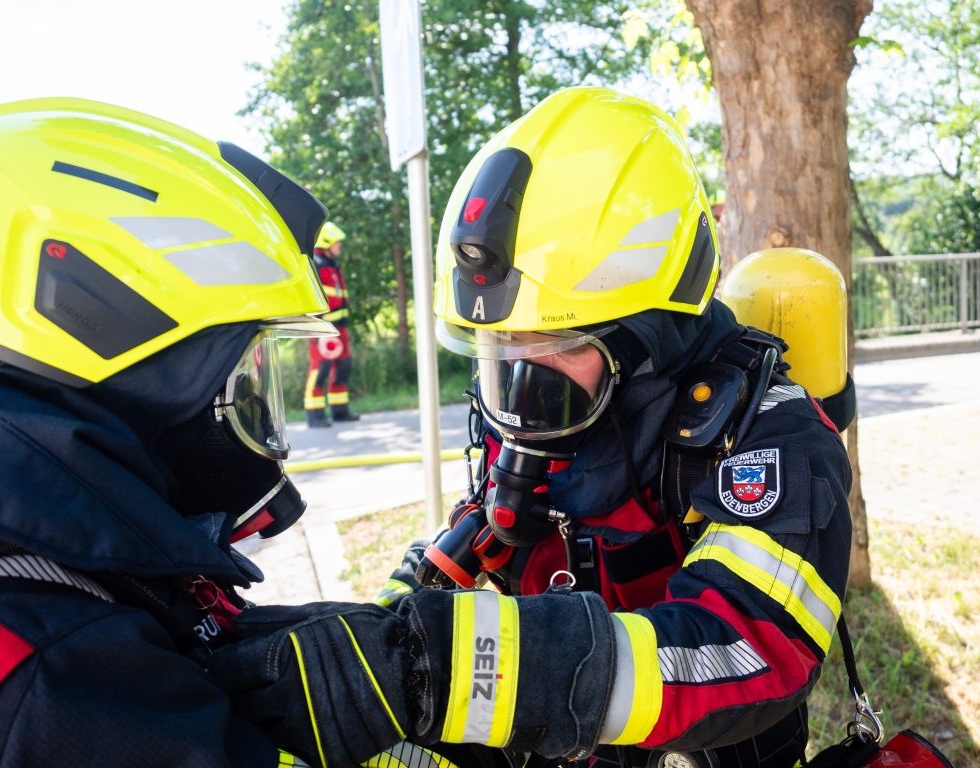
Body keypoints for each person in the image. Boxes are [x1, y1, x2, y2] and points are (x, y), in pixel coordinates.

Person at [203, 88, 855, 768]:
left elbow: (747, 646)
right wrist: (384, 631)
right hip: (554, 727)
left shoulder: (768, 436)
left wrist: (449, 671)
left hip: (711, 743)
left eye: (553, 347)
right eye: (499, 353)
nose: (520, 391)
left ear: (650, 334)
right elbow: (489, 518)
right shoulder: (539, 404)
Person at [0, 97, 342, 766]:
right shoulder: (48, 675)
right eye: (240, 378)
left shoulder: (36, 581)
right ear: (95, 327)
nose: (256, 419)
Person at [303, 221, 359, 427]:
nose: (339, 247)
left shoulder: (333, 264)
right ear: (326, 243)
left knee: (343, 366)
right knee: (321, 368)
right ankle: (314, 413)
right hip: (322, 327)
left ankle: (340, 411)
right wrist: (319, 325)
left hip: (340, 327)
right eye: (337, 243)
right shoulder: (315, 265)